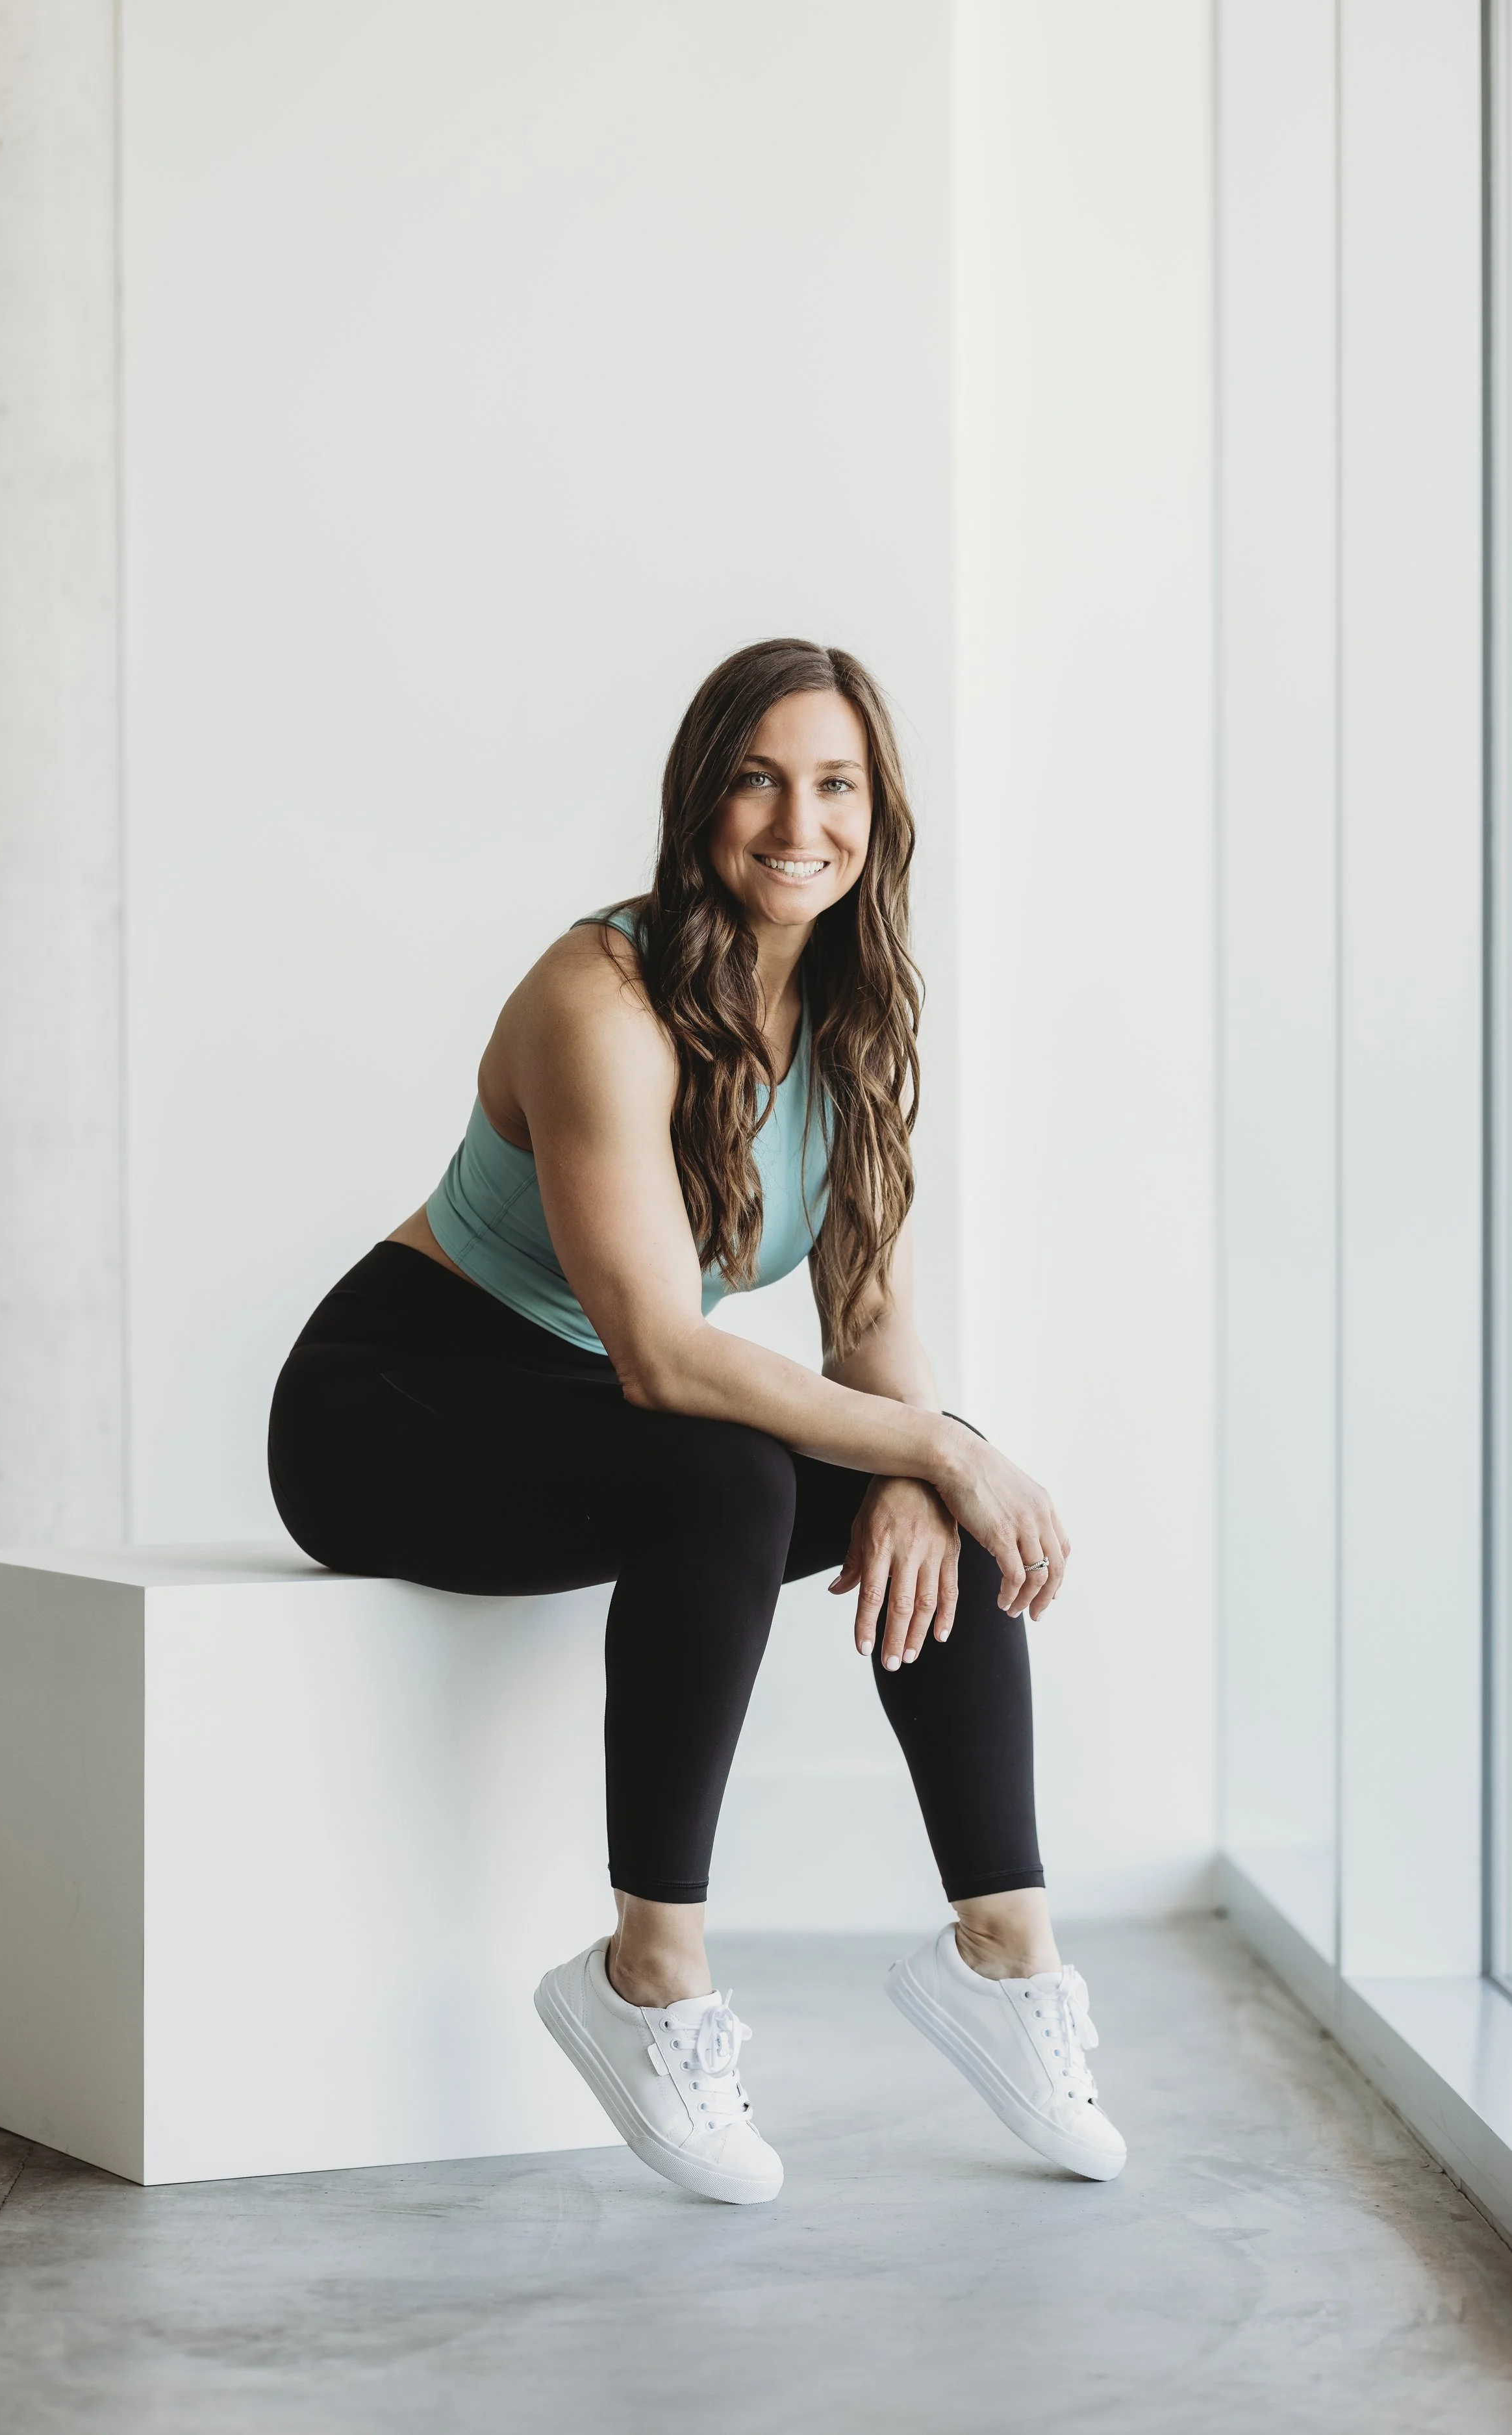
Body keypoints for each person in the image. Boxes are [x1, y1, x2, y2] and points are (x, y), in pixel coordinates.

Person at [268, 637, 1125, 2206]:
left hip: (600, 1414)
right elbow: (664, 1354)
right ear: (698, 795)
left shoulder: (860, 1020)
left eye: (835, 783)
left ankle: (1003, 1954)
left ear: (878, 813)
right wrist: (926, 1445)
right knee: (803, 1464)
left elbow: (870, 1332)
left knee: (946, 1474)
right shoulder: (597, 991)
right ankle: (643, 1974)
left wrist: (931, 1462)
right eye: (756, 775)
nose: (795, 818)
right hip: (391, 1402)